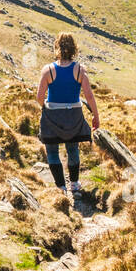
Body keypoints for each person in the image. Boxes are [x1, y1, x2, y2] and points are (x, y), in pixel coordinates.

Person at [36, 33, 99, 201]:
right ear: (74, 49)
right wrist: (95, 116)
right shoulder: (79, 69)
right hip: (74, 115)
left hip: (53, 115)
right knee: (72, 149)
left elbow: (39, 97)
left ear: (57, 47)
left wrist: (46, 108)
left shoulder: (48, 70)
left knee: (52, 151)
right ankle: (75, 185)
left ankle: (60, 188)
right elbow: (89, 96)